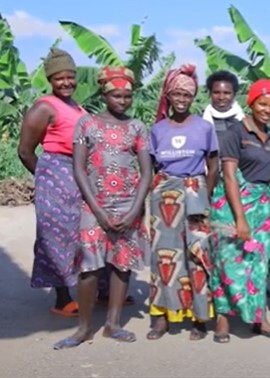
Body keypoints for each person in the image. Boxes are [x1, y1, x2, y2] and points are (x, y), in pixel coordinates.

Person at [17, 48, 127, 317]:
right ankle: (62, 298)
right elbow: (25, 150)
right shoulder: (44, 106)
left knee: (91, 233)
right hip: (57, 171)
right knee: (57, 238)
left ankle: (101, 291)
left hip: (80, 172)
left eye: (70, 77)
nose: (65, 82)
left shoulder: (75, 106)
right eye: (59, 78)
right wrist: (47, 178)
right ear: (50, 80)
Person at [53, 67, 153, 349]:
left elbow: (146, 171)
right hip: (94, 205)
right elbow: (79, 168)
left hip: (127, 205)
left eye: (127, 96)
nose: (122, 101)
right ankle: (83, 329)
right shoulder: (87, 124)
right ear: (105, 94)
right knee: (89, 267)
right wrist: (96, 209)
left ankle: (113, 324)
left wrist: (134, 210)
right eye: (117, 95)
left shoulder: (137, 127)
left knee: (122, 265)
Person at [210, 79, 270, 343]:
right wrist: (240, 219)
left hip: (263, 210)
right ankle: (222, 318)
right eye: (262, 104)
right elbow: (229, 177)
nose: (267, 109)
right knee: (228, 263)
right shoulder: (236, 133)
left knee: (258, 265)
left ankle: (259, 318)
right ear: (251, 103)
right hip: (234, 207)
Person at [147, 64, 219, 341]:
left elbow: (212, 166)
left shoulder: (204, 127)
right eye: (176, 94)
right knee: (163, 255)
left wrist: (204, 195)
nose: (181, 99)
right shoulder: (158, 129)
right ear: (168, 95)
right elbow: (152, 166)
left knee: (198, 254)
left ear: (193, 98)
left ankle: (200, 318)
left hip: (195, 190)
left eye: (186, 95)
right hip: (164, 191)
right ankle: (163, 317)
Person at [202, 70, 244, 134]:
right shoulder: (200, 122)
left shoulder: (245, 123)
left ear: (234, 94)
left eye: (227, 93)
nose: (221, 97)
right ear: (210, 93)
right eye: (216, 92)